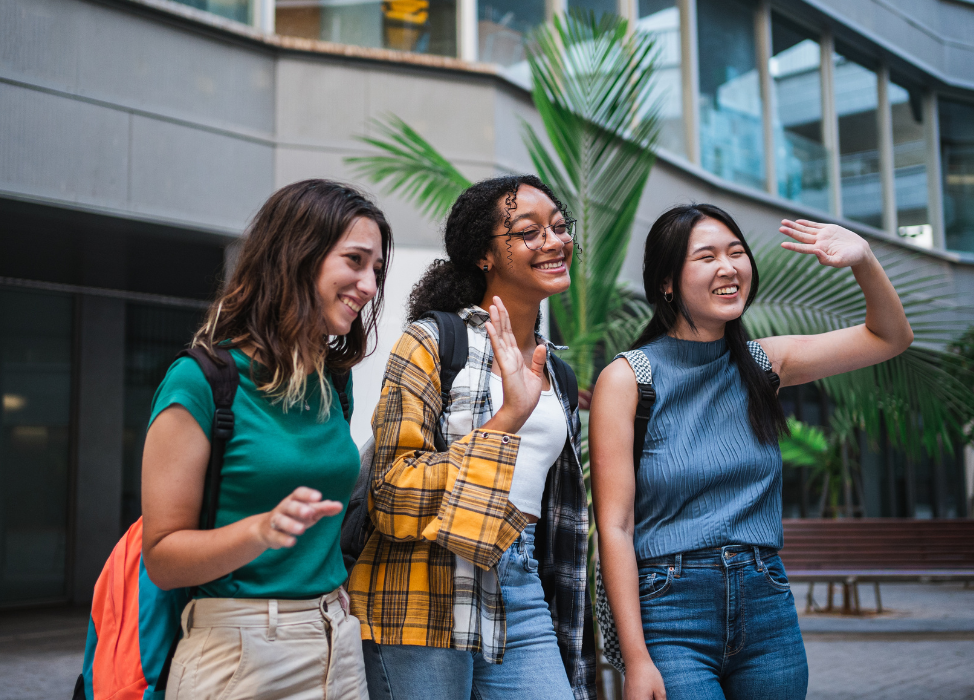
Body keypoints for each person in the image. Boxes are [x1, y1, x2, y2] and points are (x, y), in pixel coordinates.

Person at [590, 205, 913, 700]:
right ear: (667, 283)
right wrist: (635, 660)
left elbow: (890, 337)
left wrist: (863, 258)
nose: (729, 268)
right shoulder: (629, 378)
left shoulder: (765, 363)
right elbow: (615, 526)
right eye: (707, 257)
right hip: (671, 611)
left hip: (767, 607)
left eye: (736, 252)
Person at [141, 179, 392, 700]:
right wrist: (259, 530)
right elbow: (162, 559)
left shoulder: (332, 381)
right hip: (238, 656)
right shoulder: (201, 381)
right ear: (297, 256)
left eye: (376, 270)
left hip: (336, 643)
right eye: (355, 260)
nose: (368, 285)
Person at [347, 175, 596, 700]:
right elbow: (391, 491)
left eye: (558, 227)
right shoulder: (433, 343)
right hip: (422, 582)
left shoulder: (559, 373)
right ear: (485, 256)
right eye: (529, 233)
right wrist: (507, 418)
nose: (554, 241)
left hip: (521, 580)